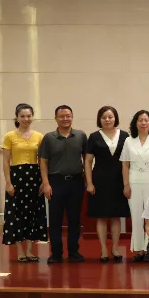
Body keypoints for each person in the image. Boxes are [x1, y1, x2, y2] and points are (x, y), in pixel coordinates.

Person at [39, 105, 88, 264]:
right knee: (55, 219)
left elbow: (86, 159)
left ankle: (73, 251)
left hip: (76, 182)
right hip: (55, 182)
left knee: (74, 219)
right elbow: (43, 161)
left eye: (68, 116)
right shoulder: (49, 138)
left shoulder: (80, 136)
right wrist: (46, 183)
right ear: (56, 118)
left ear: (72, 117)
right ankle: (56, 253)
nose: (65, 119)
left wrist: (87, 180)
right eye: (61, 116)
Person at [0, 103, 47, 261]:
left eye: (29, 116)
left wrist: (44, 181)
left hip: (35, 177)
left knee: (33, 213)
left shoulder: (39, 136)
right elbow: (6, 161)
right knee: (17, 214)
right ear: (17, 118)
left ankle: (30, 250)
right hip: (17, 177)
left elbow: (42, 161)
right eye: (22, 116)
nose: (26, 119)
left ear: (32, 117)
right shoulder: (9, 136)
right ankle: (20, 251)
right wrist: (8, 182)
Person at [85, 106, 130, 262]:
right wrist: (89, 182)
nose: (107, 120)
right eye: (104, 117)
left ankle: (115, 248)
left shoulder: (125, 136)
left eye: (110, 117)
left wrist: (127, 183)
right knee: (102, 216)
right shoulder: (94, 137)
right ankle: (104, 249)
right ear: (100, 119)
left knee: (116, 216)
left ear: (115, 118)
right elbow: (88, 161)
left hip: (119, 180)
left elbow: (127, 161)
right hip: (100, 180)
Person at [120, 110, 149, 263]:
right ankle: (139, 249)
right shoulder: (129, 141)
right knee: (136, 216)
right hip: (134, 180)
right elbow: (125, 164)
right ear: (135, 123)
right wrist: (126, 184)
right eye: (140, 120)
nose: (143, 123)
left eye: (146, 120)